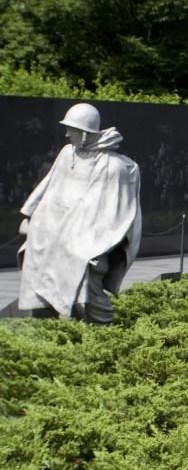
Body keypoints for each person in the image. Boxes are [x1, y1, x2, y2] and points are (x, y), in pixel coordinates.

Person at [17, 103, 142, 324]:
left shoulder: (115, 167)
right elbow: (49, 185)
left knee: (86, 276)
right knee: (34, 254)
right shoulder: (68, 154)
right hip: (56, 231)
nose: (67, 134)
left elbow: (118, 213)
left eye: (71, 130)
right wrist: (29, 215)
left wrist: (97, 246)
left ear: (84, 133)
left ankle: (103, 332)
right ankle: (50, 320)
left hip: (90, 240)